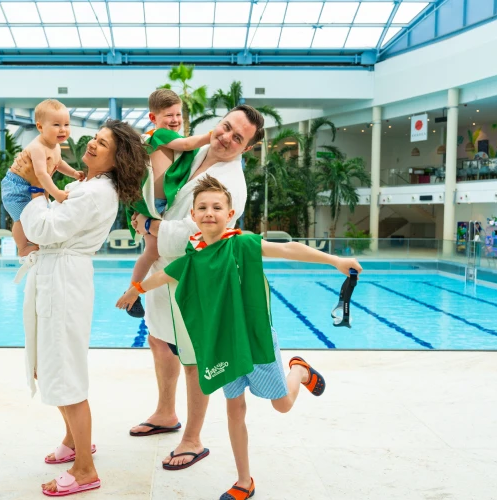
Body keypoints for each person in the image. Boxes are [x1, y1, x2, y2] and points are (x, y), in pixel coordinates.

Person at [117, 177, 363, 499]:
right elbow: (166, 274)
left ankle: (299, 371)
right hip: (225, 347)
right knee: (235, 410)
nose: (209, 212)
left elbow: (288, 249)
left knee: (283, 405)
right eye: (202, 207)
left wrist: (335, 261)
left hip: (256, 339)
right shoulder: (195, 257)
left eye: (217, 207)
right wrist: (135, 289)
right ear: (192, 214)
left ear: (230, 213)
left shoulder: (243, 243)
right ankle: (244, 481)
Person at [120, 106, 263, 471]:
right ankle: (166, 413)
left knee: (193, 357)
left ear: (245, 148)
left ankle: (193, 439)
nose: (227, 137)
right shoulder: (194, 150)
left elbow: (202, 233)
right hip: (161, 266)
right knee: (157, 339)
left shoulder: (232, 183)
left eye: (238, 138)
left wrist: (151, 228)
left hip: (195, 273)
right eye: (227, 127)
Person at [14, 120, 147, 497]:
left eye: (102, 143)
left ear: (116, 158)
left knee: (65, 370)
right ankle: (74, 442)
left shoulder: (95, 192)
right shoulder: (85, 185)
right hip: (56, 275)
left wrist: (35, 188)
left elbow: (43, 231)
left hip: (63, 278)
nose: (91, 144)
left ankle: (85, 469)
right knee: (50, 363)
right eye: (94, 138)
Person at [124, 88, 211, 318]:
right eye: (168, 115)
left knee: (151, 252)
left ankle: (133, 292)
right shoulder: (160, 135)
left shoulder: (167, 138)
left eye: (178, 115)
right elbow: (187, 145)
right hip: (152, 205)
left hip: (156, 207)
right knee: (152, 252)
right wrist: (211, 135)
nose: (175, 120)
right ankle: (133, 291)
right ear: (154, 118)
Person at [2, 99, 84, 258]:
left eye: (66, 124)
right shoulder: (38, 147)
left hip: (30, 186)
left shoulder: (55, 145)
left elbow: (58, 163)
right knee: (20, 218)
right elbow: (41, 174)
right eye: (56, 125)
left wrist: (74, 173)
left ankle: (36, 241)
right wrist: (57, 193)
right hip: (15, 188)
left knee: (37, 215)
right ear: (40, 127)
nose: (63, 130)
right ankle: (22, 247)